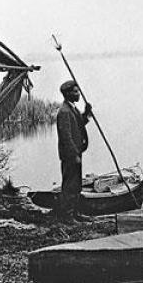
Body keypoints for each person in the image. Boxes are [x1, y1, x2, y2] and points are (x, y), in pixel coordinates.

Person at [56, 80, 93, 222]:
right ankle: (67, 216)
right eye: (75, 92)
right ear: (68, 94)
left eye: (78, 91)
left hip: (76, 153)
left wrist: (87, 113)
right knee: (70, 185)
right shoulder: (64, 111)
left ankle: (75, 213)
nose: (78, 94)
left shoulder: (72, 108)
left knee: (76, 185)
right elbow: (66, 137)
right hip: (70, 155)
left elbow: (79, 125)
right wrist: (74, 155)